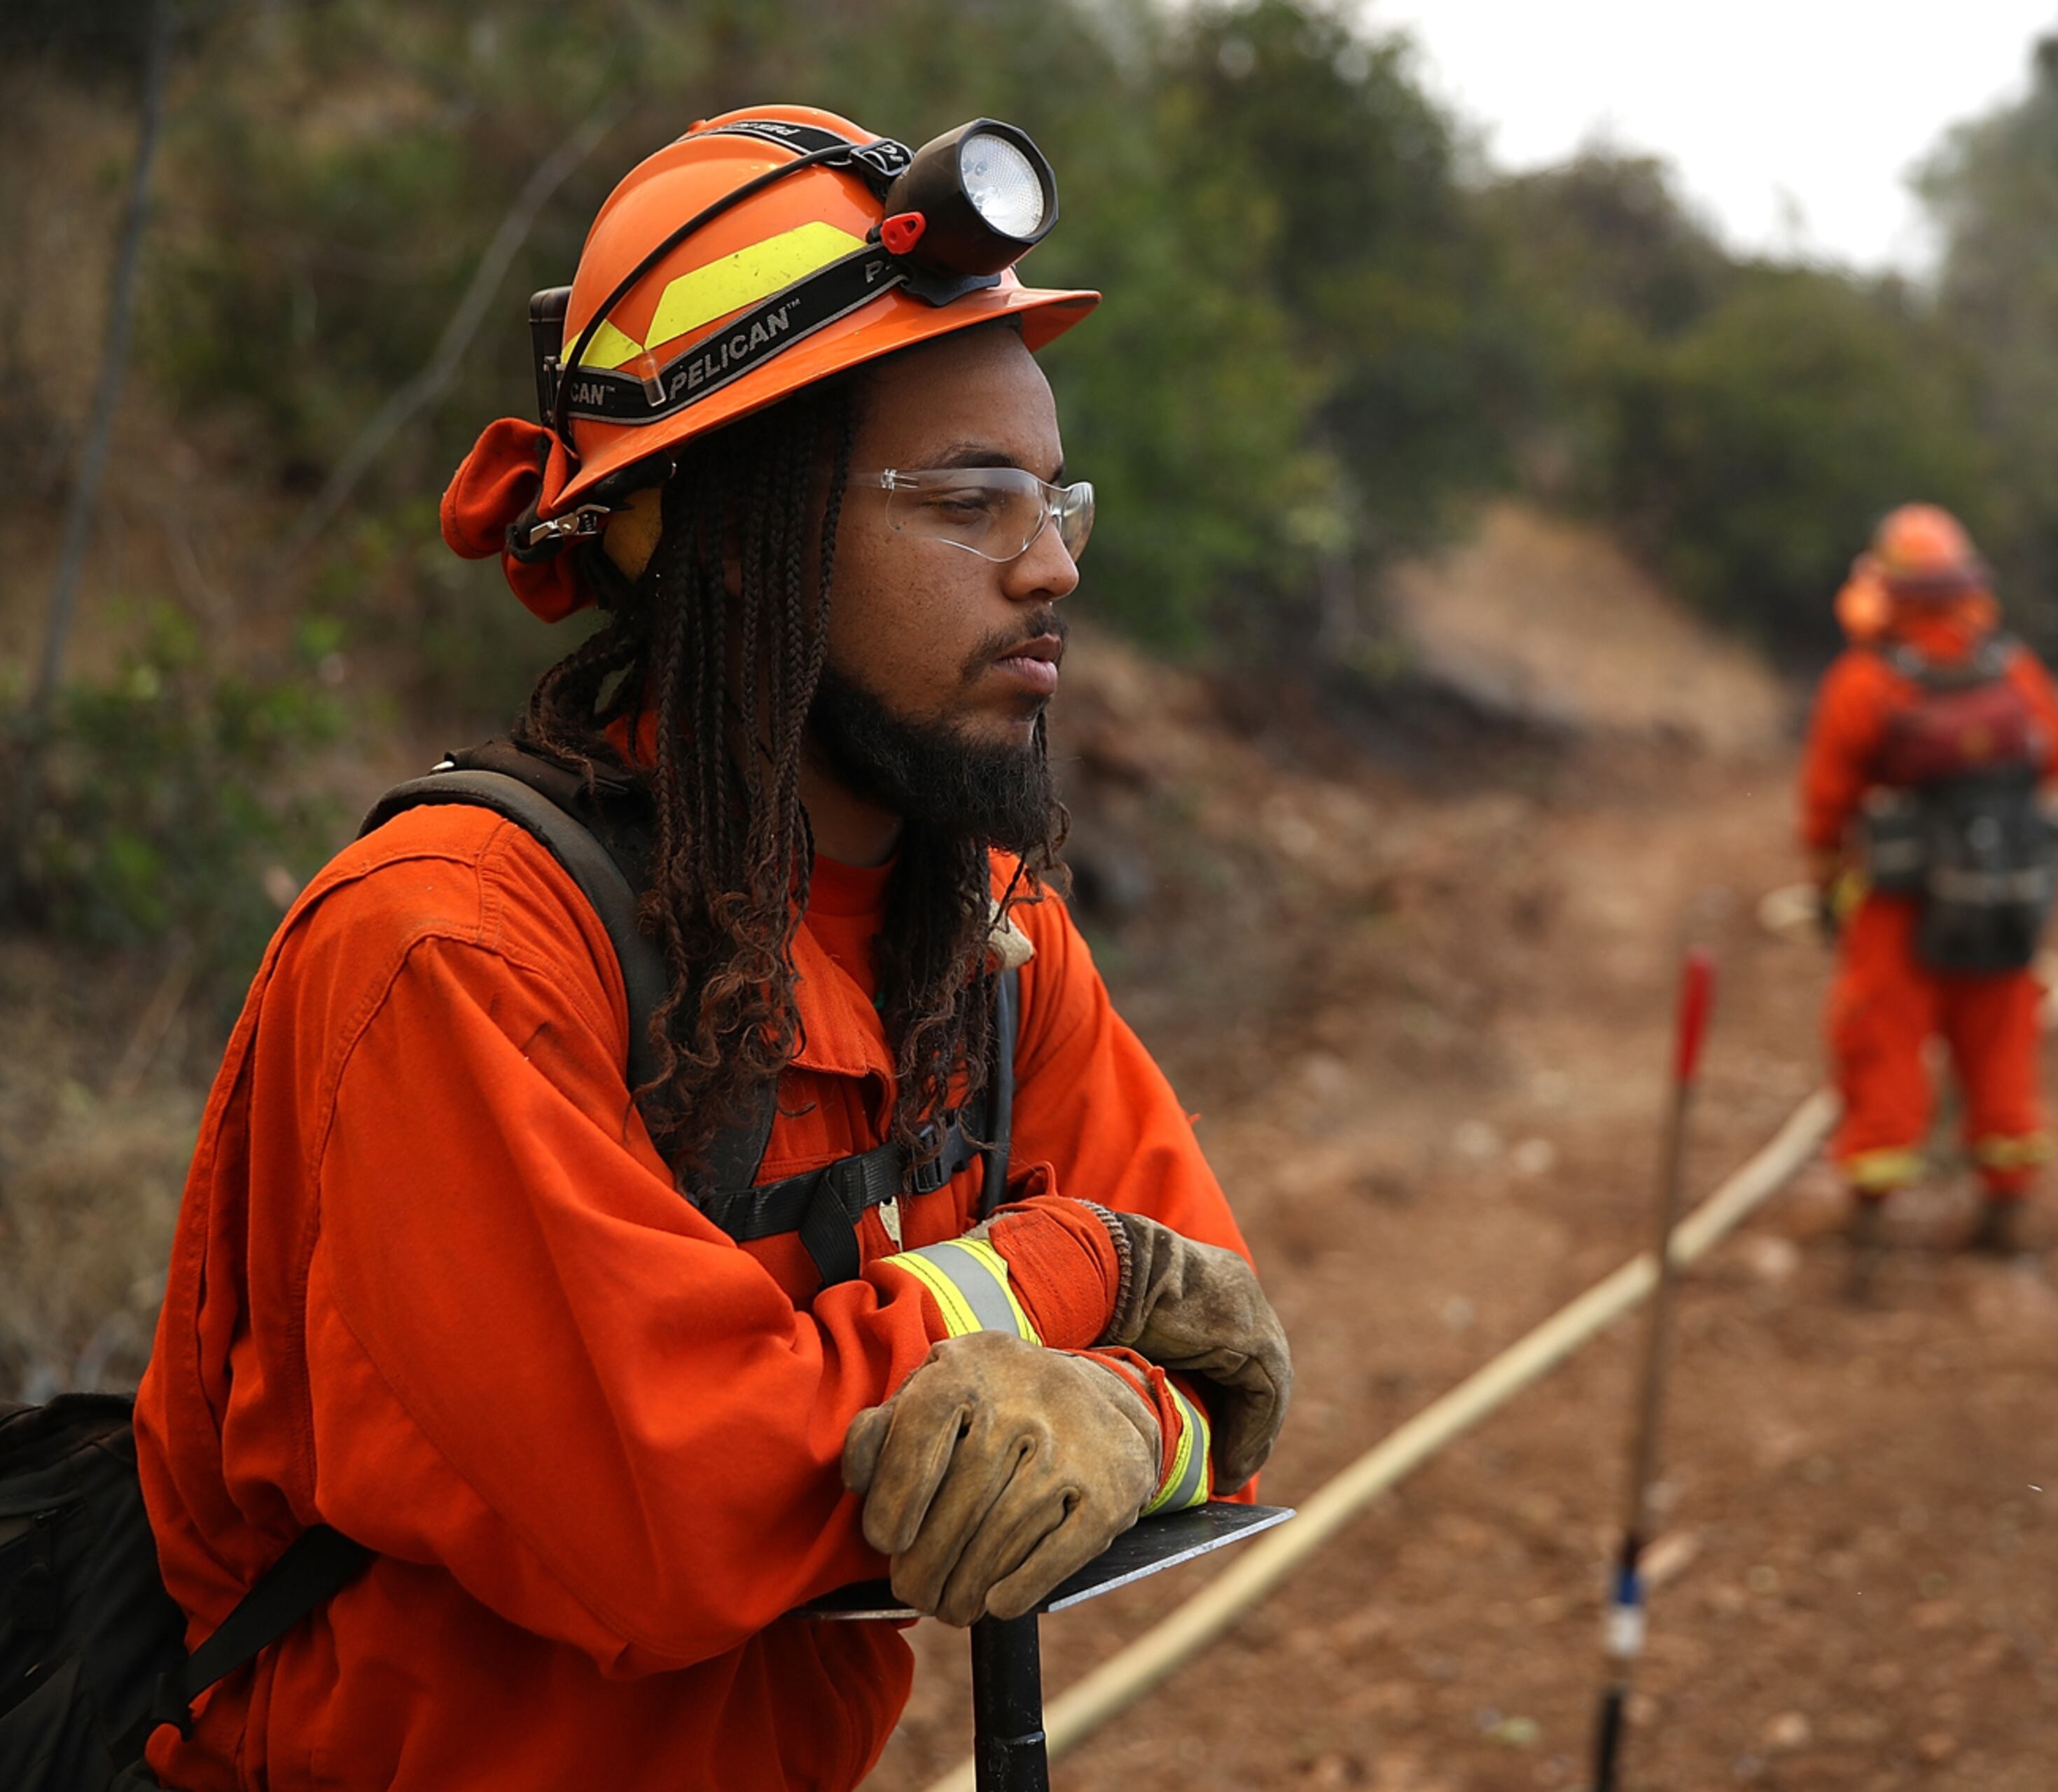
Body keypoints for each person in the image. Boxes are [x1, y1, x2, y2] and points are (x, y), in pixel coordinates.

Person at [132, 106, 1290, 1791]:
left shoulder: (985, 933)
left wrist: (1119, 1412)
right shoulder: (451, 950)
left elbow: (1224, 1347)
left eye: (1056, 501)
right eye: (969, 502)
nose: (1048, 568)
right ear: (727, 530)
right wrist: (1068, 1279)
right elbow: (659, 1509)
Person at [1799, 504, 2058, 1270]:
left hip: (1899, 904)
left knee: (1881, 1039)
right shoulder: (2013, 671)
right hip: (2004, 899)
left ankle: (1871, 1215)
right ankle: (2006, 1205)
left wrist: (1827, 881)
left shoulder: (1866, 683)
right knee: (2001, 1041)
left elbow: (1827, 804)